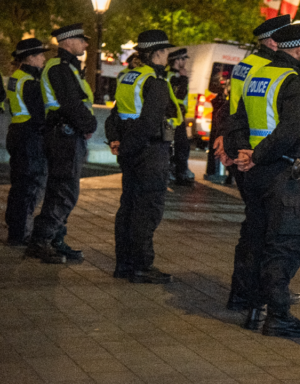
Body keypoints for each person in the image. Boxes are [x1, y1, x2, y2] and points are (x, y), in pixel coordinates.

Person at [225, 22, 300, 338]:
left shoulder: (258, 76)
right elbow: (289, 131)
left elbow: (237, 120)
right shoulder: (294, 83)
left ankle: (255, 308)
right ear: (299, 49)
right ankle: (278, 315)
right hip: (280, 173)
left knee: (257, 239)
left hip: (255, 174)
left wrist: (241, 151)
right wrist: (257, 154)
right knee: (284, 245)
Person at [216, 15, 300, 312]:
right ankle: (262, 297)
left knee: (254, 229)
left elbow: (234, 109)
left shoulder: (249, 66)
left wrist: (232, 144)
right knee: (270, 234)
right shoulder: (264, 69)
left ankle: (246, 296)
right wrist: (242, 150)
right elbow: (246, 112)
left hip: (249, 155)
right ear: (272, 40)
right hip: (264, 160)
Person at [105, 29, 181, 284]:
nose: (168, 56)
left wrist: (117, 140)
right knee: (147, 209)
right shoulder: (156, 83)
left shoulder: (129, 77)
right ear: (157, 53)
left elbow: (115, 114)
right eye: (166, 51)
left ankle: (123, 264)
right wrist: (127, 145)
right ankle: (141, 265)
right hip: (150, 152)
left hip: (131, 151)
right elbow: (149, 122)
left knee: (128, 207)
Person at [25, 24, 97, 264]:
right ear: (68, 41)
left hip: (67, 134)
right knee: (64, 191)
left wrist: (83, 126)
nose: (85, 44)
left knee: (61, 189)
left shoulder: (68, 68)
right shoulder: (60, 67)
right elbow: (71, 103)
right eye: (81, 40)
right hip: (63, 135)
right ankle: (41, 241)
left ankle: (55, 239)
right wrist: (89, 126)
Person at [5, 39, 49, 246]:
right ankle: (21, 234)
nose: (43, 58)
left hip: (17, 132)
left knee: (19, 185)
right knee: (30, 186)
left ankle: (15, 229)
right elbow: (40, 113)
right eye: (40, 55)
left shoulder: (17, 77)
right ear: (30, 57)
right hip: (30, 136)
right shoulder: (30, 82)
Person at [166, 48, 194, 186]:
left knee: (180, 146)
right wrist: (184, 78)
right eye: (183, 59)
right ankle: (179, 174)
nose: (185, 62)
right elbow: (179, 95)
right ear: (177, 60)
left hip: (177, 116)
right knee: (180, 146)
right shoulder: (173, 76)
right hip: (174, 116)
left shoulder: (171, 75)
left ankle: (178, 173)